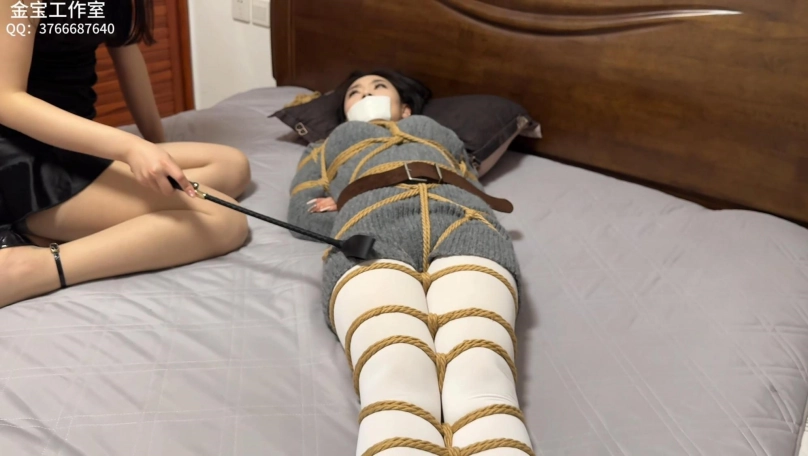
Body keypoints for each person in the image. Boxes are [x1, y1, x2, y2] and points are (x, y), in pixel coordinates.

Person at [287, 70, 536, 455]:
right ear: (345, 110)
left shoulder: (437, 131)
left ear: (405, 107)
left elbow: (471, 181)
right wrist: (350, 208)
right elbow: (301, 212)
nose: (365, 94)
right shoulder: (324, 145)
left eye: (378, 87)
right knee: (395, 372)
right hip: (369, 227)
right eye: (354, 92)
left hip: (462, 219)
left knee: (480, 370)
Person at [0, 0, 251, 307]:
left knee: (232, 166)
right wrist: (129, 147)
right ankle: (33, 267)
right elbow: (6, 99)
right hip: (20, 156)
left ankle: (53, 229)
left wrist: (154, 147)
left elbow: (129, 58)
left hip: (74, 149)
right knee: (225, 220)